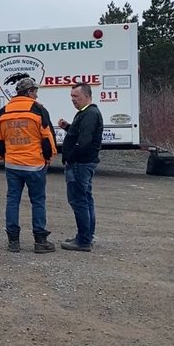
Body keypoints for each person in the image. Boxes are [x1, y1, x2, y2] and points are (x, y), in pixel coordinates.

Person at [0, 77, 58, 253]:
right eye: (35, 91)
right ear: (28, 92)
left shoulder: (2, 112)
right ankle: (40, 241)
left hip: (12, 165)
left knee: (13, 201)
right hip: (35, 164)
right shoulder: (38, 110)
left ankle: (13, 241)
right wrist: (48, 158)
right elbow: (48, 136)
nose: (36, 95)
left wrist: (3, 157)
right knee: (38, 201)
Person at [57, 82, 103, 251]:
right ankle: (85, 236)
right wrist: (68, 127)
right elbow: (80, 133)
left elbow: (84, 141)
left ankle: (83, 241)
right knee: (85, 200)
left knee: (79, 201)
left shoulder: (90, 114)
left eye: (75, 96)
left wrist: (70, 157)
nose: (73, 100)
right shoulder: (85, 113)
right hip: (83, 163)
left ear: (86, 96)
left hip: (80, 164)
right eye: (71, 97)